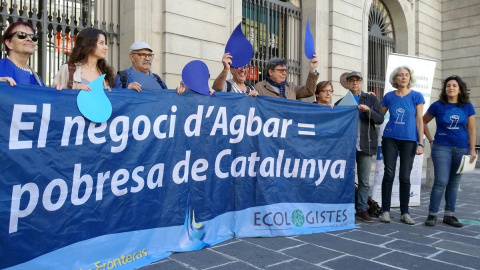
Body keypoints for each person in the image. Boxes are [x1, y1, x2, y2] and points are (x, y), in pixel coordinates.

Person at [423, 75, 476, 228]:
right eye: (448, 86)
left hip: (462, 149)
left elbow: (471, 129)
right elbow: (422, 121)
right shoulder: (438, 105)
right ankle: (432, 214)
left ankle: (449, 215)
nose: (450, 88)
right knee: (440, 181)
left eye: (454, 85)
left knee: (454, 183)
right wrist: (431, 140)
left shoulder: (467, 106)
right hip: (441, 148)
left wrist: (472, 149)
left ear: (459, 89)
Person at [335, 72, 384, 222]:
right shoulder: (342, 101)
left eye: (357, 80)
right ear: (347, 84)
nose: (355, 83)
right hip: (347, 147)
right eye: (351, 81)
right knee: (344, 178)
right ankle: (346, 205)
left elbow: (380, 119)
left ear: (362, 82)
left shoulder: (371, 98)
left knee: (363, 180)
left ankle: (362, 209)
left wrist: (368, 111)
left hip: (365, 144)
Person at [379, 66, 425, 225]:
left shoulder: (417, 96)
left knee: (405, 176)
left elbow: (420, 121)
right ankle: (385, 210)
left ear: (410, 78)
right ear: (395, 79)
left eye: (406, 75)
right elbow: (379, 116)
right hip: (390, 138)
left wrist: (421, 143)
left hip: (409, 140)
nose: (404, 78)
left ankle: (405, 212)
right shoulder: (389, 96)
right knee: (389, 174)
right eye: (400, 75)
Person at [254, 54, 318, 100]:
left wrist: (312, 69)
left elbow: (309, 91)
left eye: (285, 71)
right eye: (281, 71)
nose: (284, 73)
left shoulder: (291, 87)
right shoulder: (260, 87)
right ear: (270, 72)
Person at [0, 21, 44, 86]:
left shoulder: (37, 79)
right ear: (8, 43)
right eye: (22, 35)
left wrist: (56, 92)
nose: (29, 39)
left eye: (33, 37)